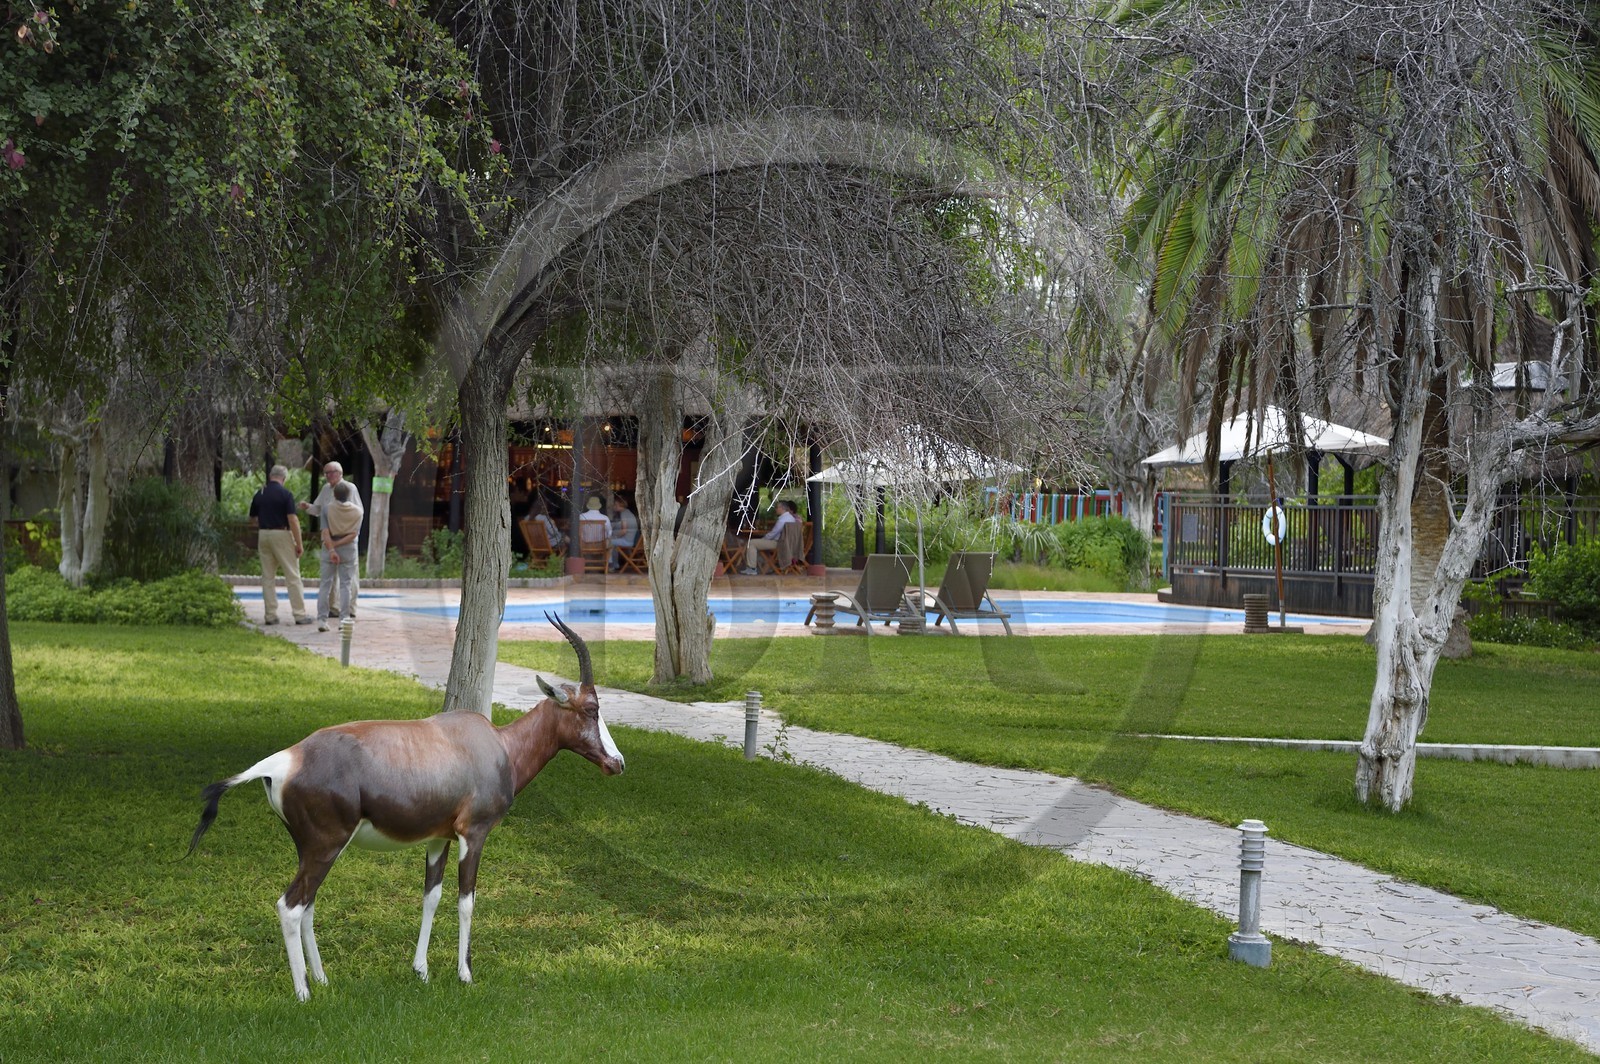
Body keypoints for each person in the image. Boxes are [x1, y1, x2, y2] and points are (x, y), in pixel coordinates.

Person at [249, 465, 312, 625]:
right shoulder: (285, 494)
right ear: (284, 478)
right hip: (281, 533)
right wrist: (299, 543)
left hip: (263, 534)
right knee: (292, 575)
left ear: (271, 476)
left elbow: (252, 519)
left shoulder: (260, 493)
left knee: (268, 577)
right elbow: (292, 519)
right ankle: (299, 614)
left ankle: (270, 615)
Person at [300, 461, 364, 618]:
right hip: (330, 539)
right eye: (326, 473)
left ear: (339, 473)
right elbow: (318, 509)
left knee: (349, 578)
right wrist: (308, 507)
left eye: (330, 472)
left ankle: (350, 608)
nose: (327, 476)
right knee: (330, 577)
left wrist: (352, 534)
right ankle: (333, 608)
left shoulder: (349, 488)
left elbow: (358, 512)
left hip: (348, 538)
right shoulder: (326, 489)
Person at [316, 481, 363, 632]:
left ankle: (322, 620)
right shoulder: (358, 512)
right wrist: (339, 545)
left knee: (325, 584)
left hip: (329, 546)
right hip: (349, 549)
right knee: (346, 585)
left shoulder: (326, 509)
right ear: (349, 495)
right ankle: (344, 619)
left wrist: (331, 549)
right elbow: (354, 534)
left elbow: (325, 532)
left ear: (334, 494)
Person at [741, 499, 800, 574]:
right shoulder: (791, 518)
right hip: (788, 544)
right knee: (757, 543)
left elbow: (773, 533)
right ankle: (765, 566)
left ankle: (752, 568)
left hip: (779, 544)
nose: (776, 509)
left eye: (777, 507)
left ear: (782, 508)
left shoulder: (782, 520)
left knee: (751, 543)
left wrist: (763, 539)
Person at [609, 494, 639, 571]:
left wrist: (614, 535)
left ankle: (611, 565)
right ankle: (615, 565)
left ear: (620, 505)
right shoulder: (628, 513)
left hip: (627, 541)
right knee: (613, 545)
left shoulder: (624, 514)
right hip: (630, 540)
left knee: (609, 542)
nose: (614, 506)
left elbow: (624, 531)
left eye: (615, 504)